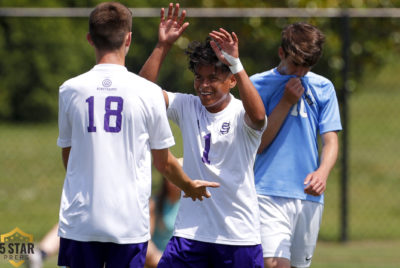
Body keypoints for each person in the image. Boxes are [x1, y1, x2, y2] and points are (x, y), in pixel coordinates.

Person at [56, 2, 219, 268]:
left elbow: (68, 156)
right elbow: (163, 162)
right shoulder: (147, 92)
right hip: (128, 223)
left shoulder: (70, 90)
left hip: (80, 221)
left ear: (89, 39)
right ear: (129, 38)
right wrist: (189, 185)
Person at [139, 3, 267, 267]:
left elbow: (258, 117)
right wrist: (162, 46)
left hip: (237, 236)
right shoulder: (187, 105)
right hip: (189, 234)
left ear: (231, 80)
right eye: (199, 77)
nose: (204, 85)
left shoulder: (242, 112)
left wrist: (237, 63)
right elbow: (141, 94)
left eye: (213, 78)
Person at [250, 22, 342, 268]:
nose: (300, 72)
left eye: (307, 66)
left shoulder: (324, 87)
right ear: (281, 53)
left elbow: (331, 140)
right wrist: (286, 101)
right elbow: (258, 145)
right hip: (266, 191)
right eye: (295, 64)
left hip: (307, 196)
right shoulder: (256, 85)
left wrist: (322, 173)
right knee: (273, 264)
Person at [145, 158, 182, 268]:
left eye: (178, 178)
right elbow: (147, 241)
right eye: (171, 179)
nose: (173, 183)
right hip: (158, 258)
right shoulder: (155, 203)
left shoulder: (189, 205)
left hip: (180, 259)